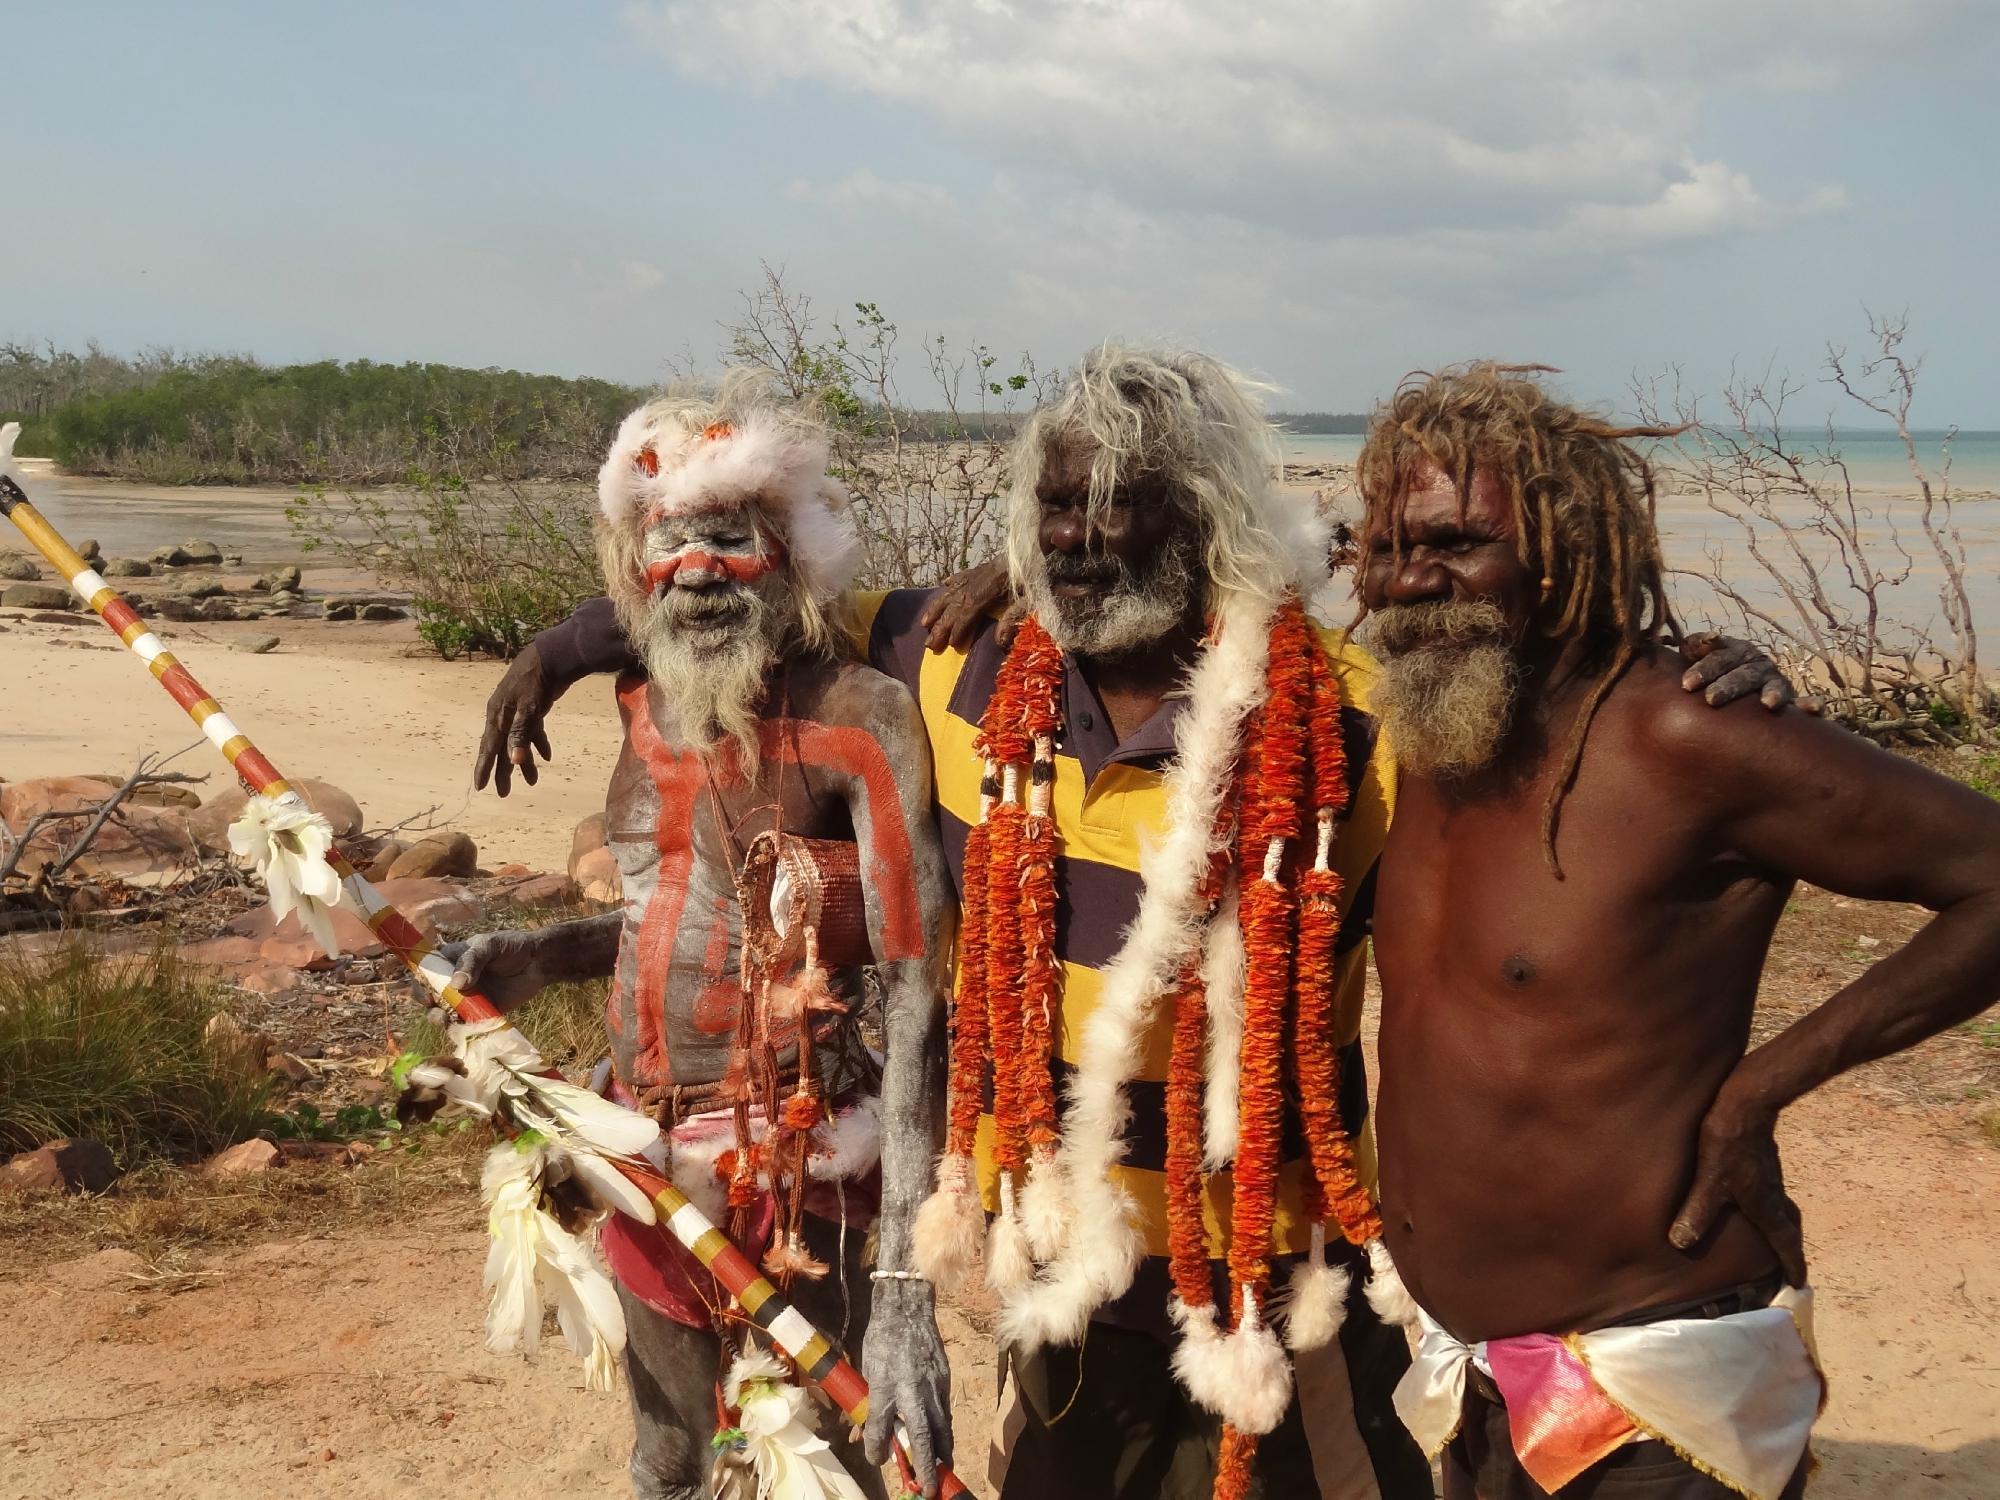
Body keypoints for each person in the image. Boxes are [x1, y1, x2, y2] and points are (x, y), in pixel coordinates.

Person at [476, 347, 1791, 1500]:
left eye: (1122, 507)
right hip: (1064, 1263)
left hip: (1277, 1277)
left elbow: (1540, 732)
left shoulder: (1342, 715)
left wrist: (1686, 671)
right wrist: (568, 642)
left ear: (1208, 518)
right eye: (1055, 509)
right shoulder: (958, 661)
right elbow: (731, 588)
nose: (1082, 540)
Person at [1356, 363, 2000, 1500]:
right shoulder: (1428, 734)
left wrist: (1762, 1088)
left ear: (1557, 553)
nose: (1411, 581)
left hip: (1650, 1386)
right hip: (1460, 1372)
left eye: (1457, 543)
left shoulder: (1684, 734)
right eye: (1388, 546)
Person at [439, 374, 955, 1500]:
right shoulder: (638, 707)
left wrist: (909, 1289)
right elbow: (658, 919)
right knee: (668, 1459)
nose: (700, 571)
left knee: (827, 1463)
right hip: (642, 1141)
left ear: (787, 553)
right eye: (669, 546)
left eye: (727, 540)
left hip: (804, 1159)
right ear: (634, 569)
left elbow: (921, 999)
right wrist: (525, 961)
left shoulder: (859, 719)